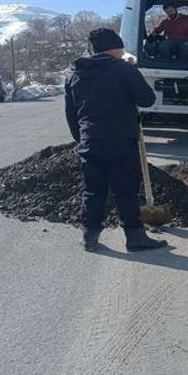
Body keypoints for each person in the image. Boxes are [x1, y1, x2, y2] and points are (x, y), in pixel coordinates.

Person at [65, 28, 168, 252]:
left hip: (90, 141)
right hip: (121, 141)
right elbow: (147, 99)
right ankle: (135, 237)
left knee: (93, 191)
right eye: (120, 48)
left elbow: (71, 115)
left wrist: (82, 138)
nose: (122, 52)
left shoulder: (74, 74)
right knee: (126, 191)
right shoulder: (123, 69)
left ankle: (89, 237)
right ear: (114, 48)